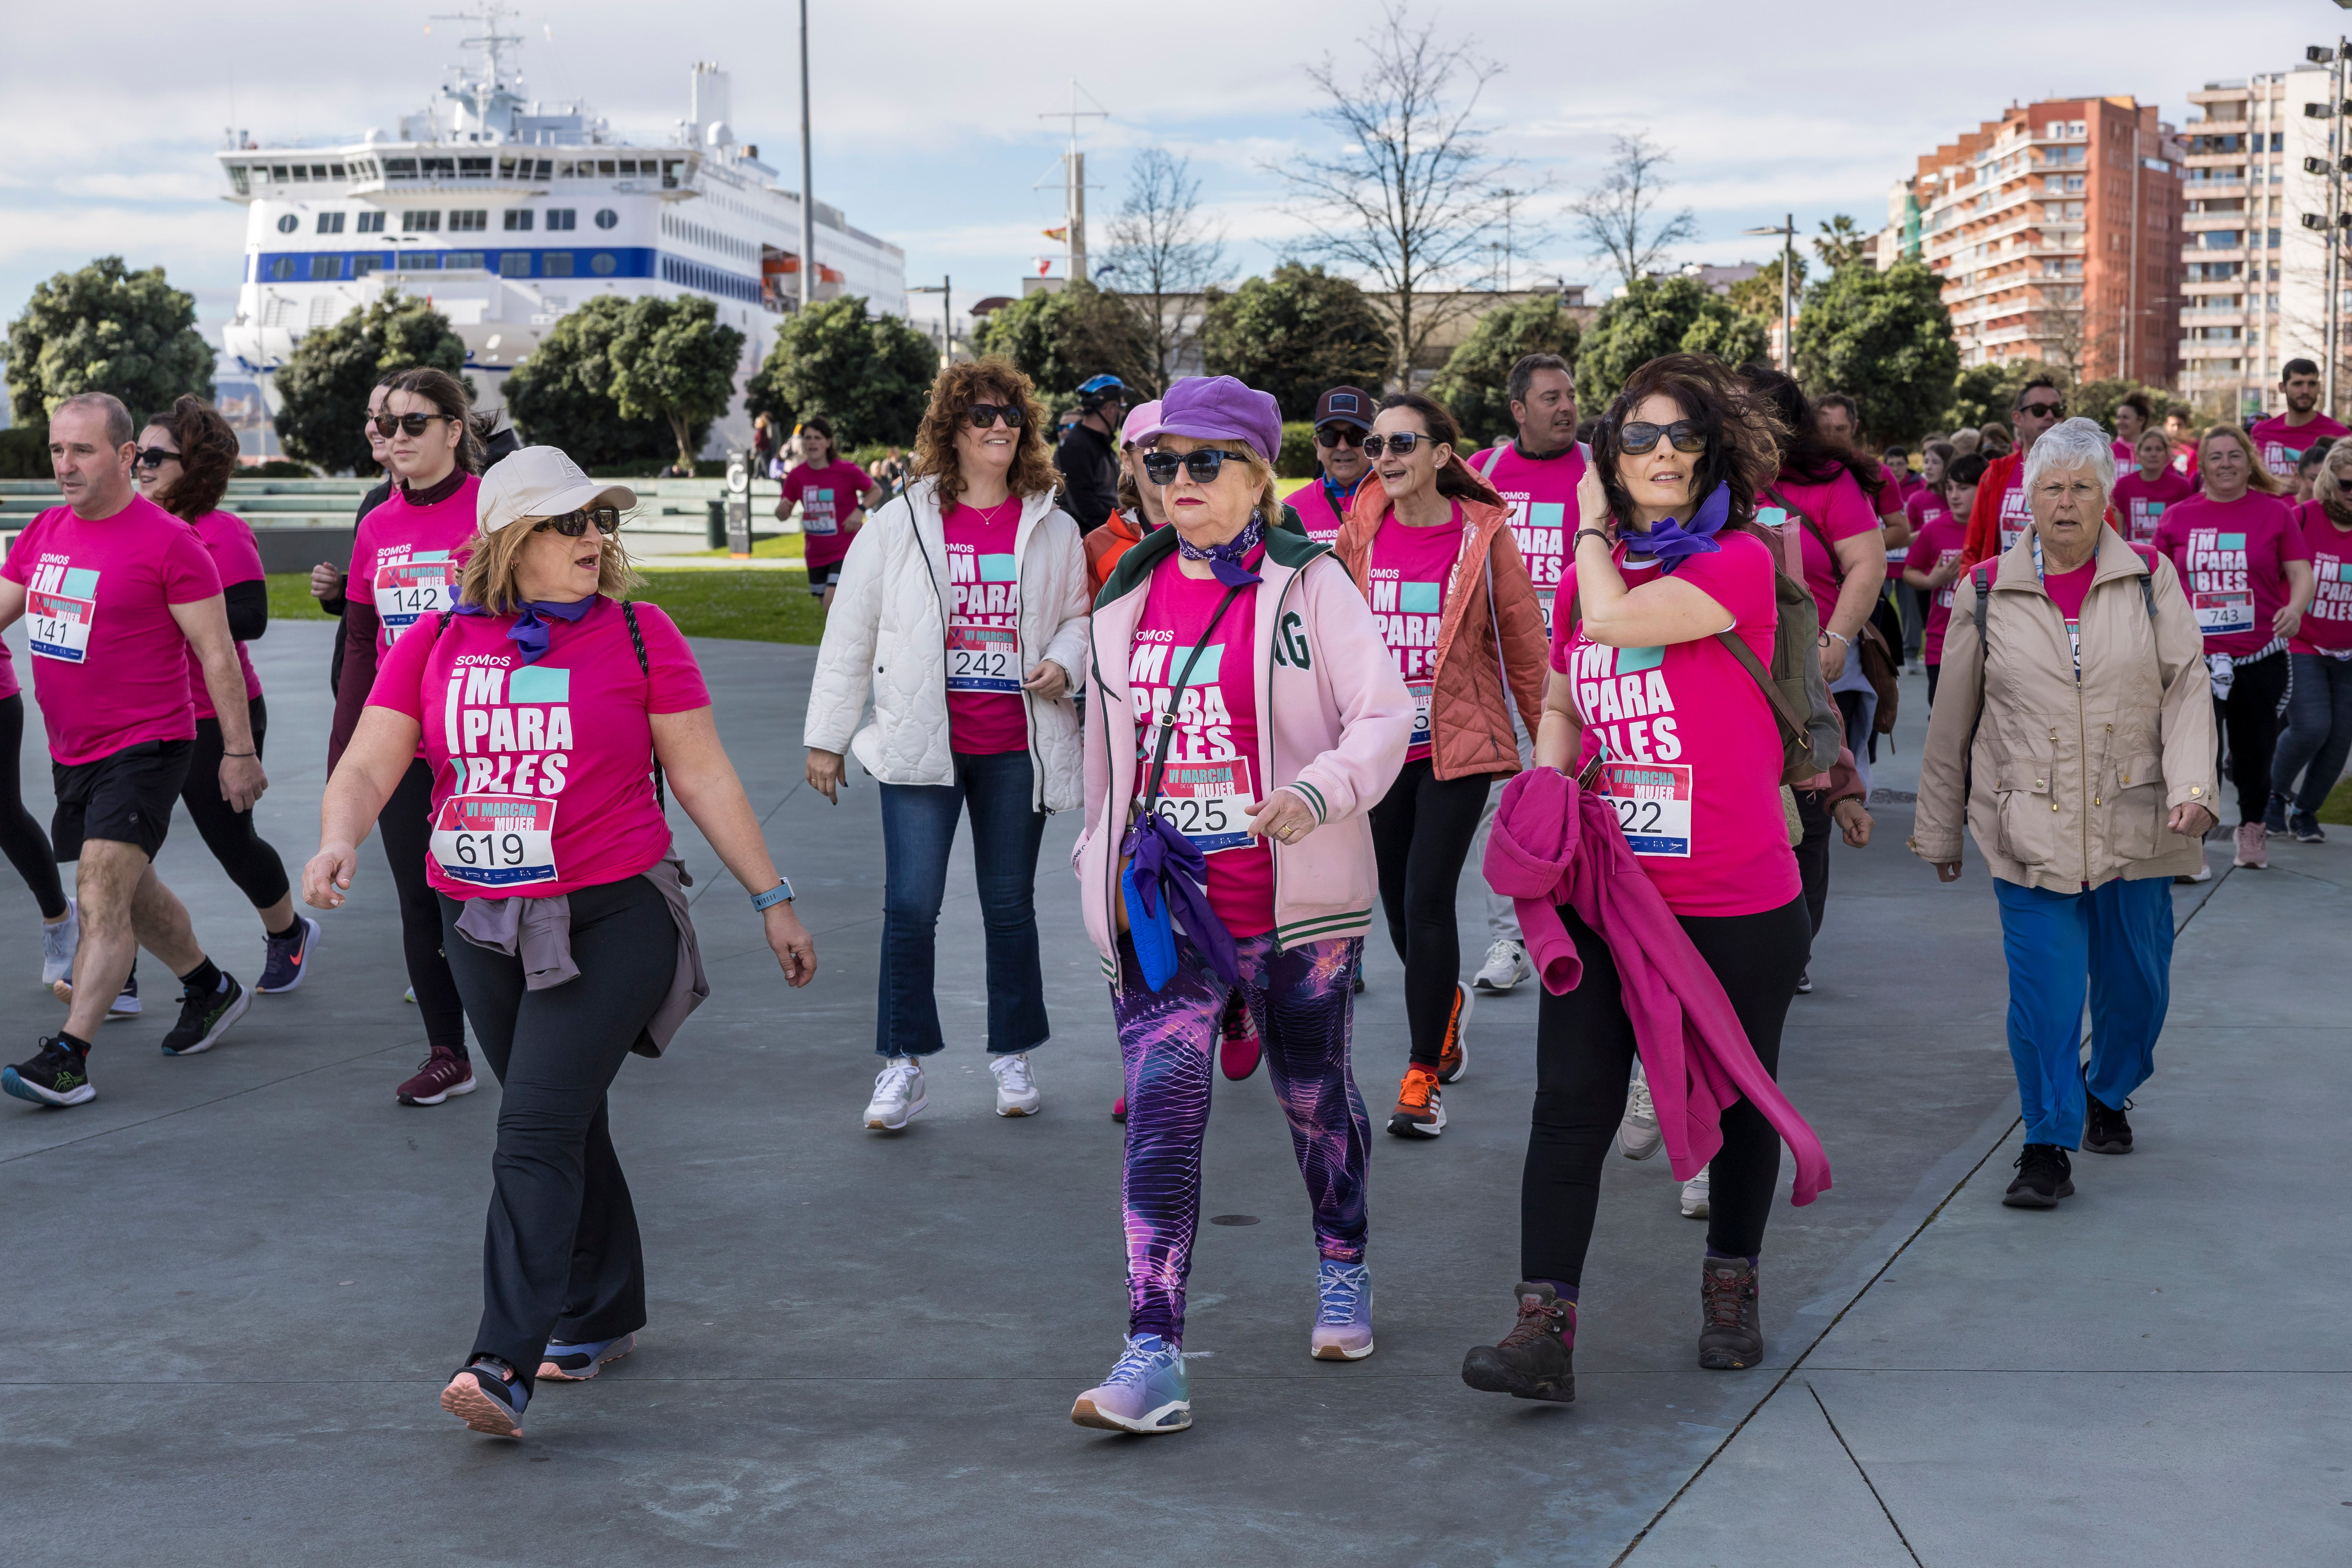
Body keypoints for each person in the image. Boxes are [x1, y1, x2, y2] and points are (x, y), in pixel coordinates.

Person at [304, 445, 815, 1438]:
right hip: (481, 922)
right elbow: (370, 763)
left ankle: (501, 1359)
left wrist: (773, 899)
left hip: (615, 914)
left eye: (600, 522)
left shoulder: (639, 633)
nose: (594, 538)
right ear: (508, 541)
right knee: (567, 1117)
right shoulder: (438, 642)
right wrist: (337, 834)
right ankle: (605, 1306)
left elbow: (705, 775)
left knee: (532, 1126)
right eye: (569, 523)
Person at [1459, 354, 1817, 1399]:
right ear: (1614, 458)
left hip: (1740, 898)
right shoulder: (1587, 582)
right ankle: (1542, 1331)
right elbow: (1572, 688)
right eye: (1639, 438)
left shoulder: (1740, 564)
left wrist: (1580, 523)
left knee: (1744, 1099)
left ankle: (1731, 1287)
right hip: (1614, 896)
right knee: (1570, 1103)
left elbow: (1614, 622)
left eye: (1682, 437)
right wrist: (1546, 782)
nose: (1661, 455)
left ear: (1711, 458)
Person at [1068, 374, 1413, 1434]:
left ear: (1261, 474)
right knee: (1162, 1118)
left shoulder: (1313, 586)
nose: (1179, 482)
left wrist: (1321, 790)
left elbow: (1384, 714)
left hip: (1295, 907)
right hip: (1168, 907)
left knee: (1314, 1095)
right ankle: (1152, 1351)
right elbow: (1104, 762)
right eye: (1160, 462)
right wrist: (1100, 859)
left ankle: (1343, 1261)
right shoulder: (1123, 595)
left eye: (1203, 462)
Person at [1913, 418, 2216, 1209]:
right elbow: (1954, 718)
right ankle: (2046, 1140)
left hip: (2138, 814)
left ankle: (2107, 1088)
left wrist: (2193, 787)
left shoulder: (2152, 577)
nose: (2068, 502)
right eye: (2053, 487)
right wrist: (1942, 824)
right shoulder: (1985, 587)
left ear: (2107, 495)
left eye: (2084, 486)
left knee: (2138, 988)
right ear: (2029, 499)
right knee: (2044, 997)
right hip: (2029, 820)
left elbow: (2187, 686)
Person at [805, 358, 1089, 1127]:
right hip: (920, 743)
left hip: (1013, 745)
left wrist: (1066, 660)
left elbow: (1078, 616)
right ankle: (901, 1066)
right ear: (951, 429)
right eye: (982, 416)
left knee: (1009, 905)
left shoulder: (1053, 526)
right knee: (910, 904)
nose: (1000, 427)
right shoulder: (902, 521)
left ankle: (1012, 1053)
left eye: (1011, 417)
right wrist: (827, 736)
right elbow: (851, 627)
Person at [0, 394, 262, 1109]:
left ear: (124, 457)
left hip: (148, 744)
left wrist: (238, 751)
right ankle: (210, 986)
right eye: (57, 450)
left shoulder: (172, 542)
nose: (65, 465)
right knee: (129, 891)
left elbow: (218, 655)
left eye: (81, 451)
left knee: (99, 892)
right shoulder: (45, 531)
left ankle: (70, 1056)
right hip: (73, 750)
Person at [1336, 392, 1547, 1140]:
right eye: (1376, 446)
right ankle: (1446, 1008)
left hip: (1458, 747)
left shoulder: (1483, 538)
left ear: (1440, 456)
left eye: (1401, 445)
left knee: (1428, 899)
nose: (1385, 459)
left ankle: (1422, 1074)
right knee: (1396, 905)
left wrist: (1548, 760)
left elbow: (1525, 647)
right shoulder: (1356, 534)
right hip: (1379, 751)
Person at [332, 367, 486, 1105]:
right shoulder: (377, 525)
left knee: (501, 897)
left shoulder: (495, 509)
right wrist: (347, 757)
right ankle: (447, 1052)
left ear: (455, 430)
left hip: (491, 741)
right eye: (386, 424)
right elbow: (362, 646)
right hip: (406, 748)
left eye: (413, 423)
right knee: (423, 903)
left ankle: (542, 1038)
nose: (395, 437)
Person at [132, 397, 318, 993]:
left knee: (230, 842)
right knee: (119, 845)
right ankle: (117, 967)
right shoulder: (131, 528)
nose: (142, 466)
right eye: (138, 454)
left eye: (156, 457)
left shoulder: (220, 532)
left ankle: (289, 934)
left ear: (196, 465)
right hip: (145, 712)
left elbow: (253, 617)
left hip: (217, 713)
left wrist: (169, 610)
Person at [1741, 367, 1889, 970]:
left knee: (1811, 802)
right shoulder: (1707, 480)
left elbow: (1869, 562)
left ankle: (1793, 948)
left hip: (1807, 673)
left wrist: (1836, 636)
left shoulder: (1825, 483)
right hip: (1735, 672)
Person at [1465, 354, 1587, 996]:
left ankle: (1588, 926)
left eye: (1569, 395)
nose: (1566, 406)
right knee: (1507, 804)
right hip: (1506, 674)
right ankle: (1510, 940)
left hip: (1581, 675)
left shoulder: (1597, 470)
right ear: (1518, 409)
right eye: (1550, 398)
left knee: (1586, 799)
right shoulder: (1485, 472)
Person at [2151, 425, 2313, 871]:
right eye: (2216, 456)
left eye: (2234, 455)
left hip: (2259, 656)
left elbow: (2301, 573)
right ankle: (2192, 846)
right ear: (2202, 466)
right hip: (2194, 658)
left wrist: (2296, 609)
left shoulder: (2275, 513)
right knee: (2194, 752)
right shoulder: (2177, 517)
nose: (2226, 463)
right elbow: (2157, 585)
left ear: (2249, 462)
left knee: (2254, 749)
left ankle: (2253, 826)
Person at [2270, 439, 2352, 842]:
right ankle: (2274, 794)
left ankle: (2306, 812)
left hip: (2348, 652)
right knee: (2311, 728)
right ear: (2328, 481)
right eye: (2347, 484)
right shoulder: (2301, 518)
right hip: (2302, 644)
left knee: (2340, 740)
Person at [1903, 452, 1984, 705]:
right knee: (1943, 724)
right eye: (1949, 488)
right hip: (1942, 643)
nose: (1954, 495)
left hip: (1986, 643)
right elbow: (1909, 572)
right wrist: (1931, 581)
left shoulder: (1992, 529)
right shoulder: (1934, 529)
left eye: (1963, 488)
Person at [777, 418, 877, 616]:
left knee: (832, 606)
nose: (812, 443)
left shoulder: (845, 471)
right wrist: (781, 510)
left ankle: (841, 646)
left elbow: (875, 491)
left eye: (818, 438)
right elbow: (783, 514)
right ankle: (852, 644)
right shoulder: (797, 476)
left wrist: (859, 511)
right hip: (816, 553)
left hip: (845, 549)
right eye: (808, 438)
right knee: (832, 612)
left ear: (828, 442)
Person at [1962, 379, 2066, 565]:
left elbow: (2105, 537)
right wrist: (1971, 592)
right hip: (2005, 589)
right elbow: (1973, 549)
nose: (2050, 416)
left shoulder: (2085, 472)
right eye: (2039, 410)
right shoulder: (1995, 475)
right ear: (2018, 419)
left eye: (2057, 410)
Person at [1085, 400, 1166, 596]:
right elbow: (1085, 621)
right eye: (1153, 452)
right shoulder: (1098, 544)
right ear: (1127, 461)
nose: (1168, 463)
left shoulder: (1214, 533)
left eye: (1175, 452)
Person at [1289, 387, 1378, 546]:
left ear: (1373, 443)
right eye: (1330, 436)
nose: (1343, 447)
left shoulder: (1400, 504)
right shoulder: (1291, 512)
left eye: (1356, 435)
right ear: (1318, 446)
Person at [2249, 358, 2350, 483]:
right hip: (2268, 502)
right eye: (2298, 384)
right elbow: (2253, 480)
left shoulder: (2340, 435)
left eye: (2312, 384)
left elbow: (2343, 486)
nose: (2305, 391)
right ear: (2282, 387)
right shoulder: (2261, 432)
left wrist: (2305, 488)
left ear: (2319, 387)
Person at [1054, 374, 1127, 534]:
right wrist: (1121, 529)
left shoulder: (1099, 442)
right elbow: (1084, 506)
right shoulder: (1077, 446)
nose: (1123, 414)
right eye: (1121, 407)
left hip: (1104, 533)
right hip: (1089, 541)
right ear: (1110, 410)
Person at [2113, 428, 2193, 544]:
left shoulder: (2182, 486)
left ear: (2167, 454)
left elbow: (2187, 527)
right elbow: (2118, 532)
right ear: (2138, 454)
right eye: (2148, 449)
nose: (2154, 454)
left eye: (2159, 449)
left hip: (2169, 556)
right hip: (2134, 555)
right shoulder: (2123, 486)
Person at [2112, 392, 2152, 472]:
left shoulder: (2154, 451)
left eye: (2125, 418)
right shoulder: (2110, 451)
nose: (2120, 422)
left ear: (2141, 420)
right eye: (2118, 417)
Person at [2293, 439, 2334, 505]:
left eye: (2326, 480)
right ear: (2298, 477)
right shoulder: (2283, 509)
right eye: (2314, 479)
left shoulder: (2338, 512)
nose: (2320, 486)